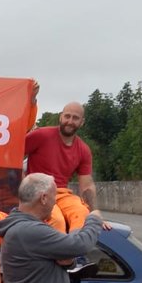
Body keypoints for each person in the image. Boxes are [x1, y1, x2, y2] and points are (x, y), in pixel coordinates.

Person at [24, 98, 98, 230]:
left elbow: (86, 185)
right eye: (67, 116)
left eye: (75, 118)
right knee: (56, 220)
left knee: (82, 214)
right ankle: (56, 250)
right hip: (38, 192)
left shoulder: (83, 150)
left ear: (82, 122)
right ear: (61, 117)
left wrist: (94, 213)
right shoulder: (41, 135)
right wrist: (22, 184)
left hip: (62, 193)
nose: (70, 121)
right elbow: (13, 153)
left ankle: (73, 249)